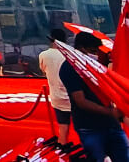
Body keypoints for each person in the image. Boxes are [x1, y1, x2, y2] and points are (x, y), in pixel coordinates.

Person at [60, 31, 129, 161]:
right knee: (96, 158)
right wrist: (110, 112)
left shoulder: (95, 64)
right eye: (93, 51)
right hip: (89, 127)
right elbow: (80, 101)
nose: (96, 54)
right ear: (81, 48)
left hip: (111, 125)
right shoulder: (69, 68)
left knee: (123, 157)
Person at [38, 29, 71, 146]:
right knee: (83, 128)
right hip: (75, 96)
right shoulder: (71, 54)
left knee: (63, 126)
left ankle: (62, 148)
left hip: (56, 96)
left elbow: (43, 71)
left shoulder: (43, 55)